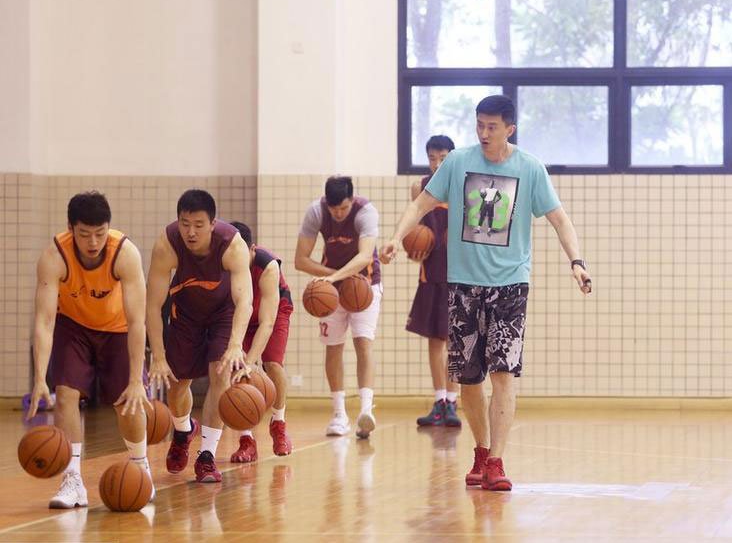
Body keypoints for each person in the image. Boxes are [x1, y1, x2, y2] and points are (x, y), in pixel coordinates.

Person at [381, 95, 592, 491]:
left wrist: (577, 262)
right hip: (463, 285)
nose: (483, 132)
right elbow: (422, 204)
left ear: (510, 129)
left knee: (503, 374)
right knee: (469, 377)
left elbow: (559, 219)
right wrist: (396, 237)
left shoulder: (529, 168)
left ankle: (496, 460)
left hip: (510, 285)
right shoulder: (458, 162)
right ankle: (480, 451)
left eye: (492, 126)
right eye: (479, 124)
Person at [28, 191, 152, 508]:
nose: (93, 242)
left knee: (128, 401)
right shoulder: (54, 256)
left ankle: (140, 467)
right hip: (74, 326)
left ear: (108, 227)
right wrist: (39, 378)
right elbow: (44, 321)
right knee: (65, 395)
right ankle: (72, 481)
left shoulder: (125, 253)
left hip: (118, 328)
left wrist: (136, 379)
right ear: (71, 228)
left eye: (100, 233)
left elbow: (137, 321)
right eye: (84, 234)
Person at [145, 189, 253, 483]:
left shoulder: (232, 245)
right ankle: (183, 430)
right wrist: (158, 356)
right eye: (185, 224)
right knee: (177, 384)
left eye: (198, 225)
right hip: (186, 313)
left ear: (213, 223)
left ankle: (206, 455)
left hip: (223, 312)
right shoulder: (167, 244)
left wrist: (235, 345)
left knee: (220, 373)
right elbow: (152, 305)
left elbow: (245, 300)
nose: (190, 232)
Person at [295, 176, 382, 439]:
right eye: (334, 209)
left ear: (352, 200)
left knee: (363, 343)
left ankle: (366, 410)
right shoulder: (316, 212)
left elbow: (365, 256)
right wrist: (332, 278)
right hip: (331, 288)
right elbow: (300, 260)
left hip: (365, 285)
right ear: (327, 203)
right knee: (333, 348)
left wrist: (335, 277)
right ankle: (339, 414)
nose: (339, 213)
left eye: (343, 208)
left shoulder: (365, 212)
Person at [228, 221, 295, 462]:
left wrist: (251, 361)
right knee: (234, 367)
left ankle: (279, 424)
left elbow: (267, 323)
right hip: (241, 312)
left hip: (273, 312)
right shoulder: (224, 264)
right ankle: (246, 440)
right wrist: (242, 360)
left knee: (273, 364)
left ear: (252, 249)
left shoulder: (267, 266)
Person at [409, 135, 462, 428]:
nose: (437, 164)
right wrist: (413, 248)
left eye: (442, 158)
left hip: (459, 272)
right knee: (434, 340)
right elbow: (416, 230)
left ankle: (453, 401)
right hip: (431, 272)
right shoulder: (420, 187)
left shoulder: (463, 186)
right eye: (432, 158)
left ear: (451, 157)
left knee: (454, 339)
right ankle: (439, 400)